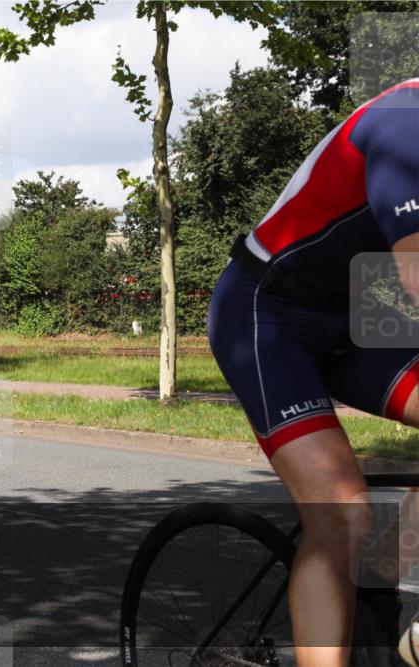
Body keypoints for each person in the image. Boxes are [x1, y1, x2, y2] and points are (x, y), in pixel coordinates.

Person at [209, 78, 418, 666]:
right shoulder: (406, 124)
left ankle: (376, 596)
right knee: (342, 512)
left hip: (353, 314)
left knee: (366, 543)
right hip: (266, 313)